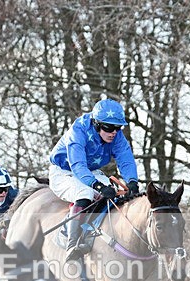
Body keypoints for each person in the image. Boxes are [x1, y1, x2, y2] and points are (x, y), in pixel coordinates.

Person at [48, 98, 140, 262]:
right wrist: (97, 186)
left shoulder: (116, 136)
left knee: (114, 193)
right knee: (85, 193)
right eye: (108, 128)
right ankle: (72, 244)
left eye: (118, 128)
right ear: (96, 124)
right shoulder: (78, 130)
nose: (114, 132)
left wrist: (132, 181)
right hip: (63, 171)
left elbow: (125, 159)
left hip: (90, 171)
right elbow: (78, 165)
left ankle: (93, 232)